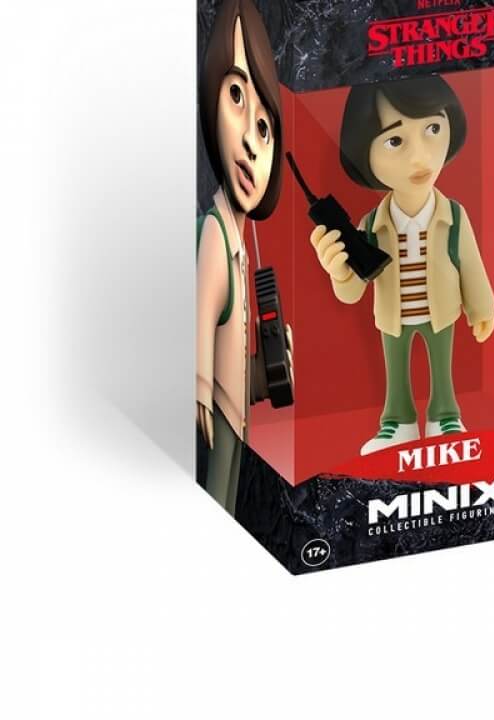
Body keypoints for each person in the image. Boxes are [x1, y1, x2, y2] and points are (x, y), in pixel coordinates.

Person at [310, 76, 494, 456]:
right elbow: (352, 292)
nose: (420, 158)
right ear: (364, 153)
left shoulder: (453, 216)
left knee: (442, 368)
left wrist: (482, 309)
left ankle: (445, 416)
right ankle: (397, 422)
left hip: (441, 310)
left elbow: (470, 264)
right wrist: (340, 272)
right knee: (396, 372)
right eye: (395, 141)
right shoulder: (370, 226)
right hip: (393, 314)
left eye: (432, 129)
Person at [196, 0, 289, 513]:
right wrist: (197, 384)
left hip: (235, 415)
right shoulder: (214, 233)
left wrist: (264, 373)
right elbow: (201, 316)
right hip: (211, 414)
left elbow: (232, 351)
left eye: (265, 128)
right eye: (236, 94)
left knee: (228, 499)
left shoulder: (241, 244)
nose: (252, 144)